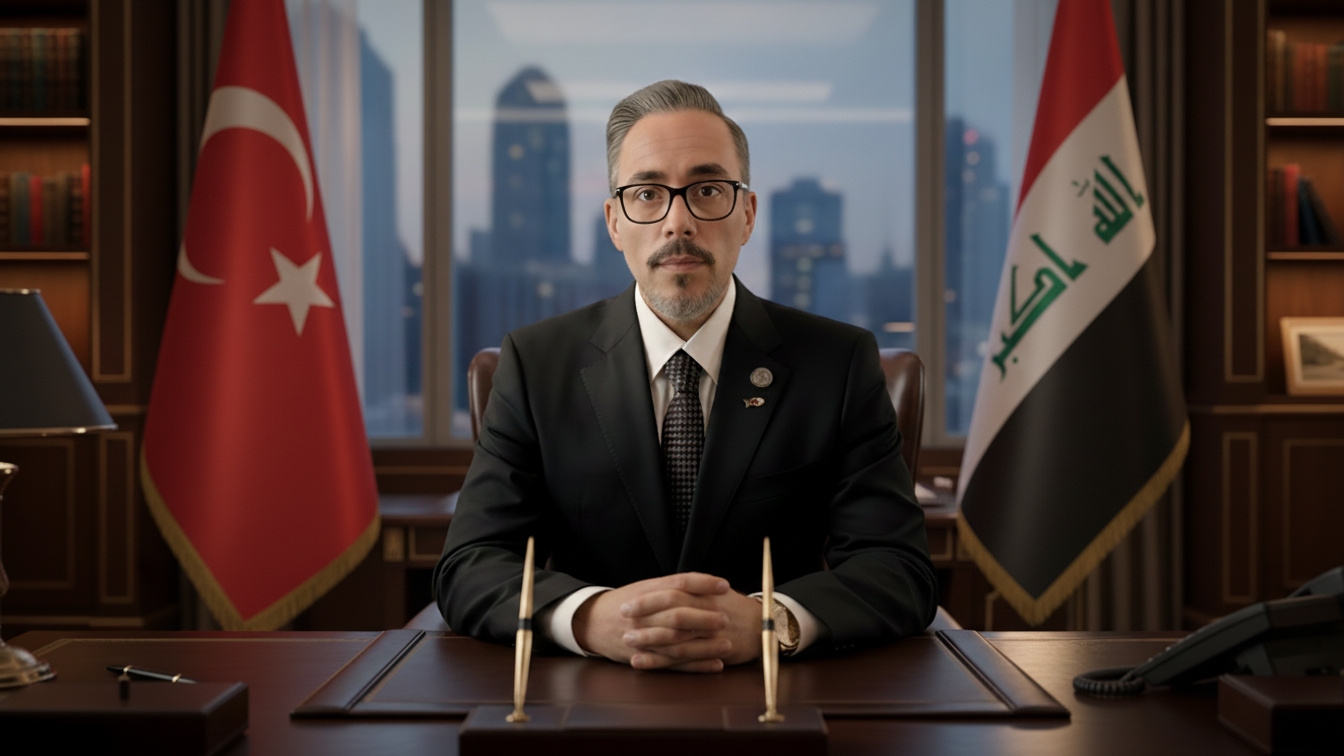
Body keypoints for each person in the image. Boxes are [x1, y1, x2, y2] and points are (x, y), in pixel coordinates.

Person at [434, 80, 936, 672]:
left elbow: (896, 566)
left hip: (778, 701)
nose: (678, 222)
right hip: (586, 701)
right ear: (615, 222)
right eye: (647, 193)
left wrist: (769, 621)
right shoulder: (535, 363)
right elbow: (469, 563)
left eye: (707, 190)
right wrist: (591, 618)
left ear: (747, 215)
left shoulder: (839, 363)